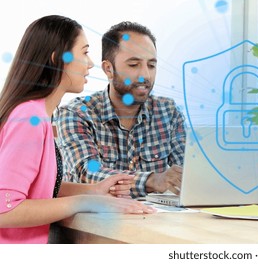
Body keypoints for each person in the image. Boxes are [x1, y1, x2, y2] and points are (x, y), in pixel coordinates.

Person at [0, 15, 155, 244]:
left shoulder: (37, 115)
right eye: (84, 52)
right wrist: (84, 202)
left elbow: (38, 187)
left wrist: (93, 191)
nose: (90, 63)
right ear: (57, 59)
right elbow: (6, 209)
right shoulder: (28, 117)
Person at [56, 21, 186, 198]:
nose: (145, 75)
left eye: (151, 65)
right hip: (95, 222)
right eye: (134, 65)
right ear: (108, 69)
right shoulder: (76, 114)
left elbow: (185, 174)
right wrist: (152, 180)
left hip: (156, 220)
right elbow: (86, 174)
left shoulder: (168, 111)